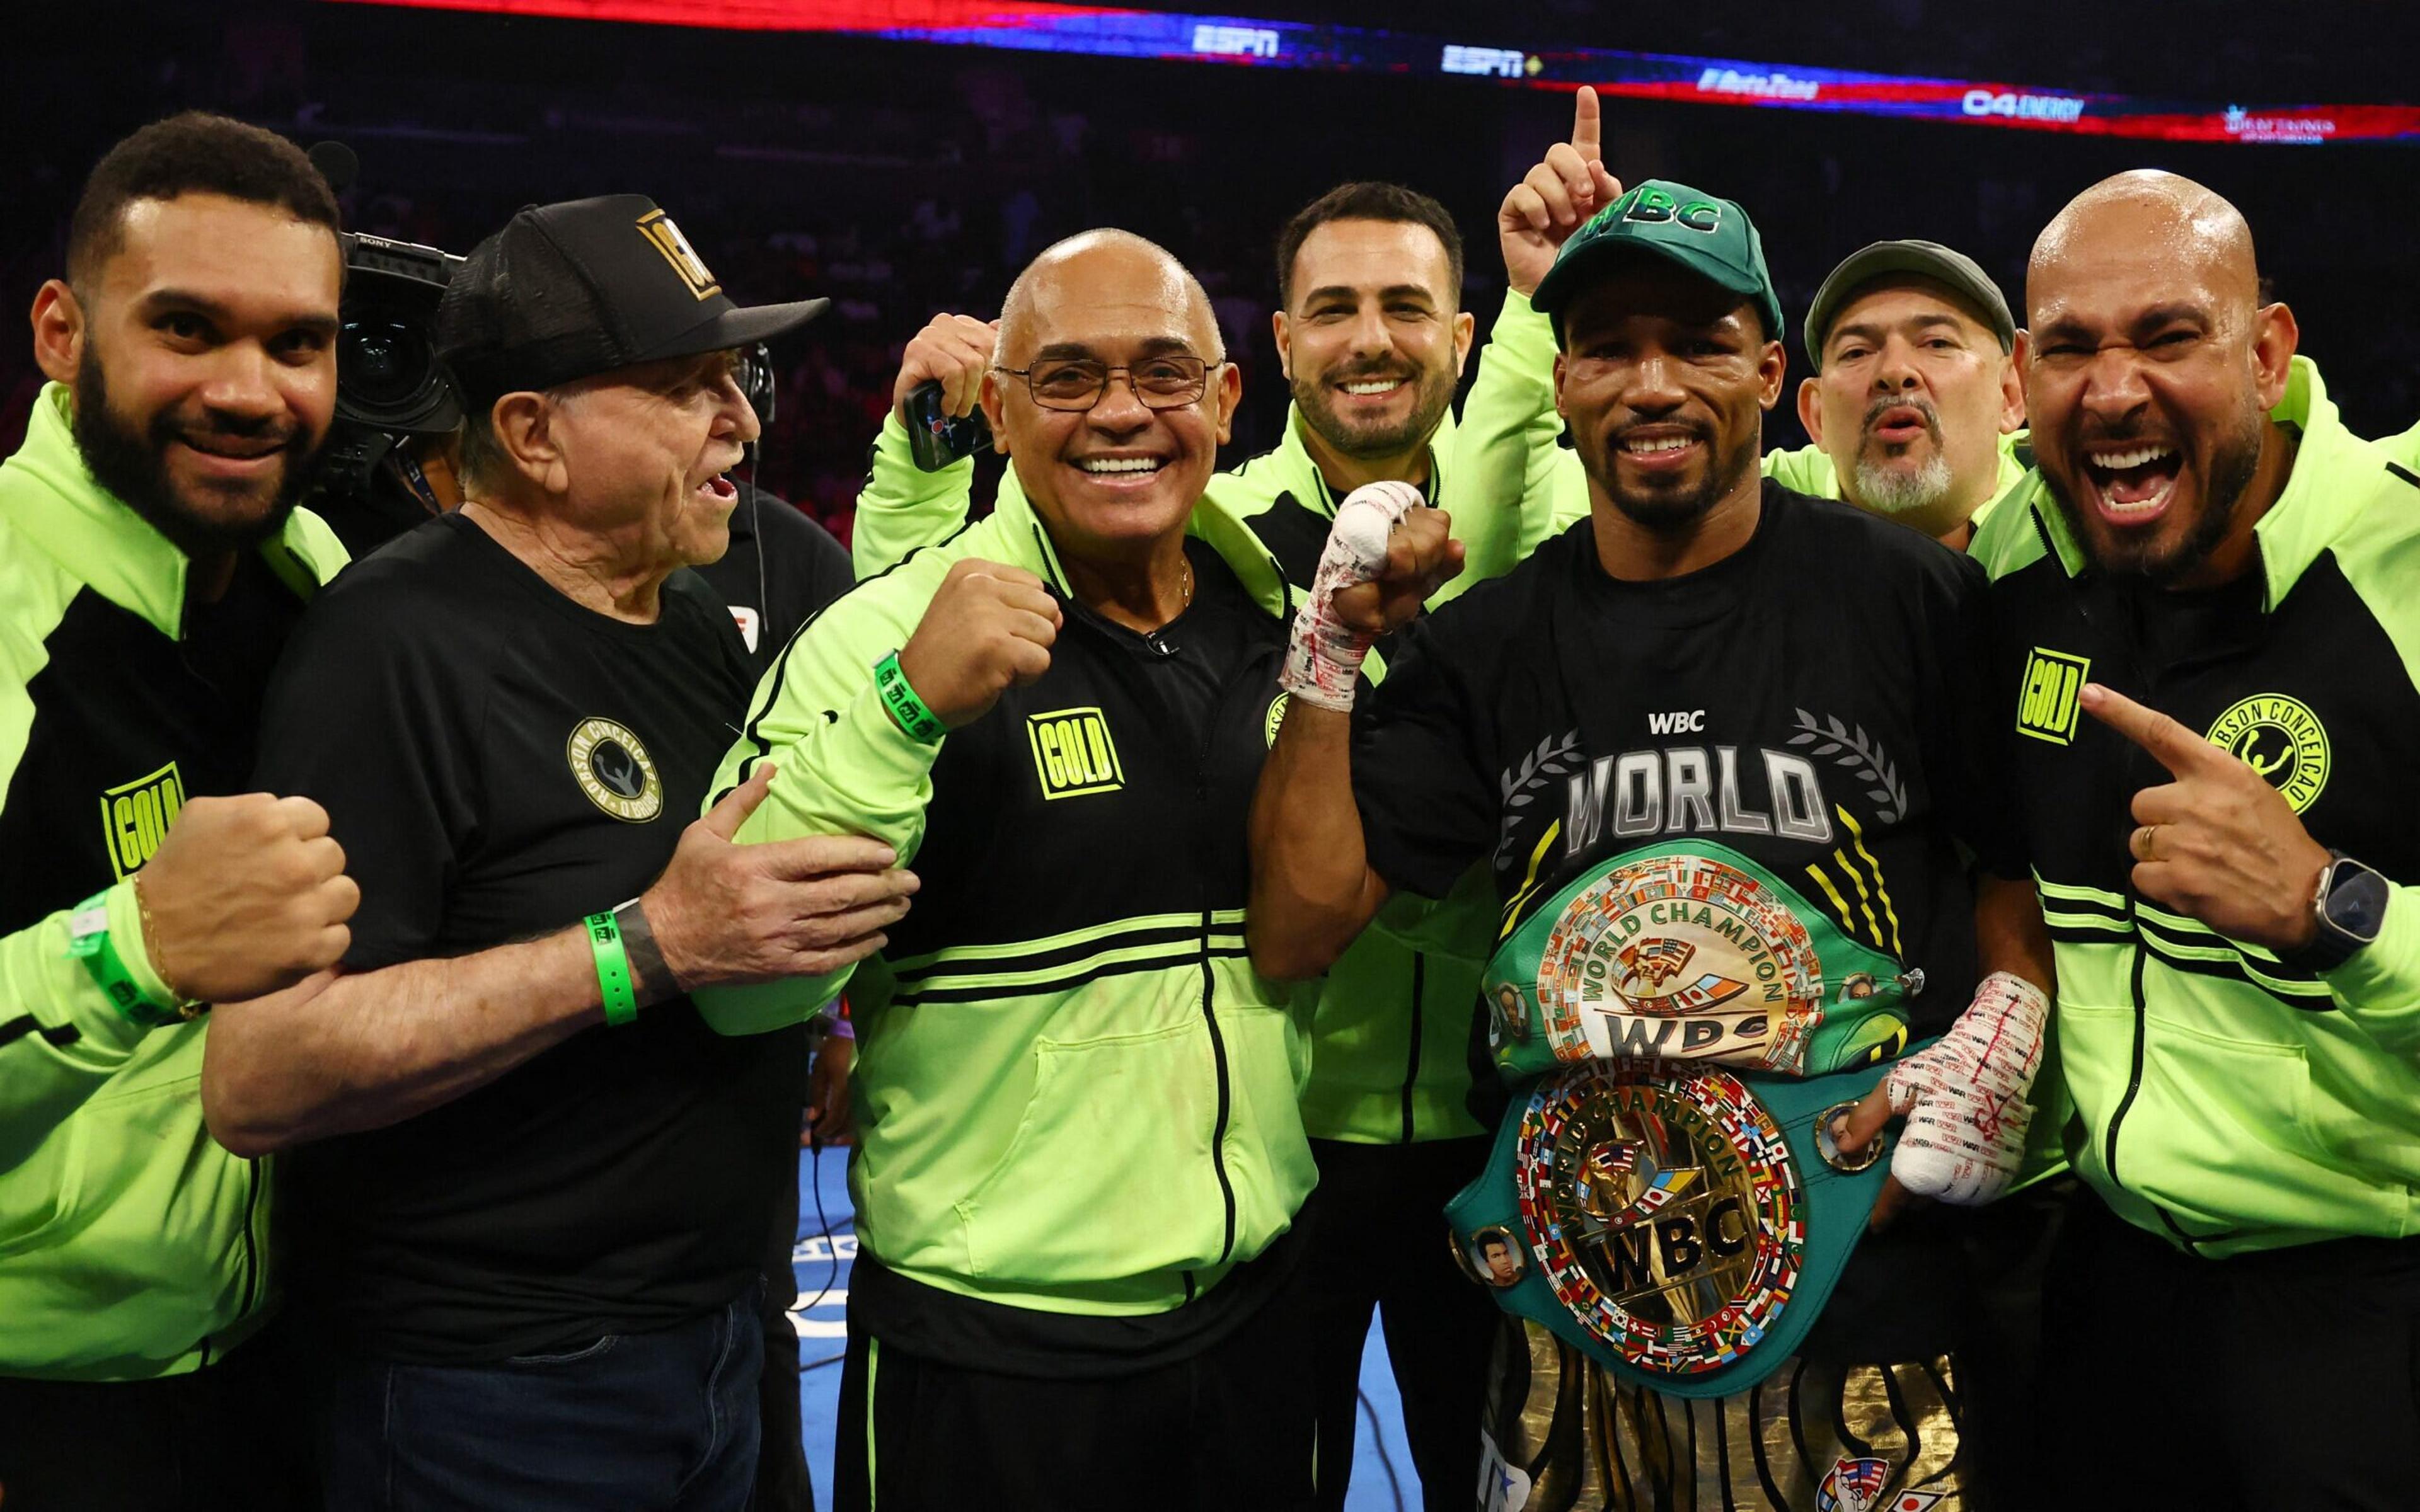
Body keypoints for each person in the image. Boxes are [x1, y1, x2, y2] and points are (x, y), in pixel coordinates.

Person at [841, 99, 1620, 1510]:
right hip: (1276, 1141)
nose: (1369, 338)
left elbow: (1497, 550)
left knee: (1496, 1483)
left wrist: (1535, 305)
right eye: (1332, 310)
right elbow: (942, 601)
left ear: (1465, 342)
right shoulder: (1210, 532)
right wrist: (916, 451)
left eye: (1405, 308)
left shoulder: (1545, 516)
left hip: (1499, 1123)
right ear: (1270, 353)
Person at [1248, 181, 2053, 1510]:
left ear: (1769, 373)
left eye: (1699, 345)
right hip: (1576, 1336)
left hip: (1866, 1309)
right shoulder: (1490, 642)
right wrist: (1329, 648)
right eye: (1612, 347)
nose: (1654, 384)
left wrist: (2009, 1016)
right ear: (1560, 383)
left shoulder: (1912, 598)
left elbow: (2005, 868)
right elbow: (1299, 919)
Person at [199, 193, 916, 1512]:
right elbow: (263, 1072)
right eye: (685, 386)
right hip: (492, 1394)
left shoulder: (692, 617)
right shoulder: (395, 647)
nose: (744, 422)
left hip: (711, 1339)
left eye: (737, 379)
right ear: (531, 433)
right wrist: (645, 949)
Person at [700, 229, 1318, 1512]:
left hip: (1259, 1321)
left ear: (1226, 399)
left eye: (1162, 374)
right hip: (988, 1357)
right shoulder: (882, 634)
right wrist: (903, 706)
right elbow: (736, 987)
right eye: (1070, 378)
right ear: (998, 407)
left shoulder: (1282, 629)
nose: (1121, 416)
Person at [1972, 169, 2420, 1510]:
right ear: (2019, 375)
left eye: (2168, 336)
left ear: (2269, 352)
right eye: (2071, 349)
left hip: (2370, 1308)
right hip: (2107, 1291)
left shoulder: (2402, 562)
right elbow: (2009, 868)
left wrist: (2333, 906)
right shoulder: (2019, 558)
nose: (2113, 392)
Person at [0, 112, 361, 1512]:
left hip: (276, 1366)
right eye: (189, 329)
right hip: (45, 1410)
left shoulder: (300, 565)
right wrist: (128, 950)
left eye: (298, 342)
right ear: (61, 333)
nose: (251, 389)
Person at [1788, 241, 2027, 549]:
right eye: (1856, 352)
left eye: (1938, 343)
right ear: (1817, 417)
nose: (1894, 371)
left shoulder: (2072, 519)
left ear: (2010, 394)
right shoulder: (1755, 511)